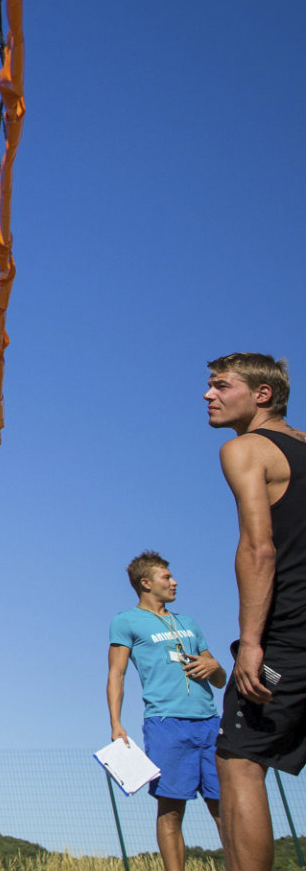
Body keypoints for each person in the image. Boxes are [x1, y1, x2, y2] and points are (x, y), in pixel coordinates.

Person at [211, 353, 306, 871]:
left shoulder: (246, 449)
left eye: (222, 385)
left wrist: (251, 642)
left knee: (239, 760)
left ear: (262, 394)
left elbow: (258, 548)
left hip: (288, 633)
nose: (209, 395)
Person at [107, 550, 225, 871]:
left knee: (225, 809)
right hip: (166, 725)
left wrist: (215, 666)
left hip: (210, 724)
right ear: (146, 583)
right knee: (171, 811)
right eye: (167, 577)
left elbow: (219, 679)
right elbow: (116, 674)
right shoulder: (125, 621)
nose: (175, 582)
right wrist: (116, 723)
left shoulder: (189, 623)